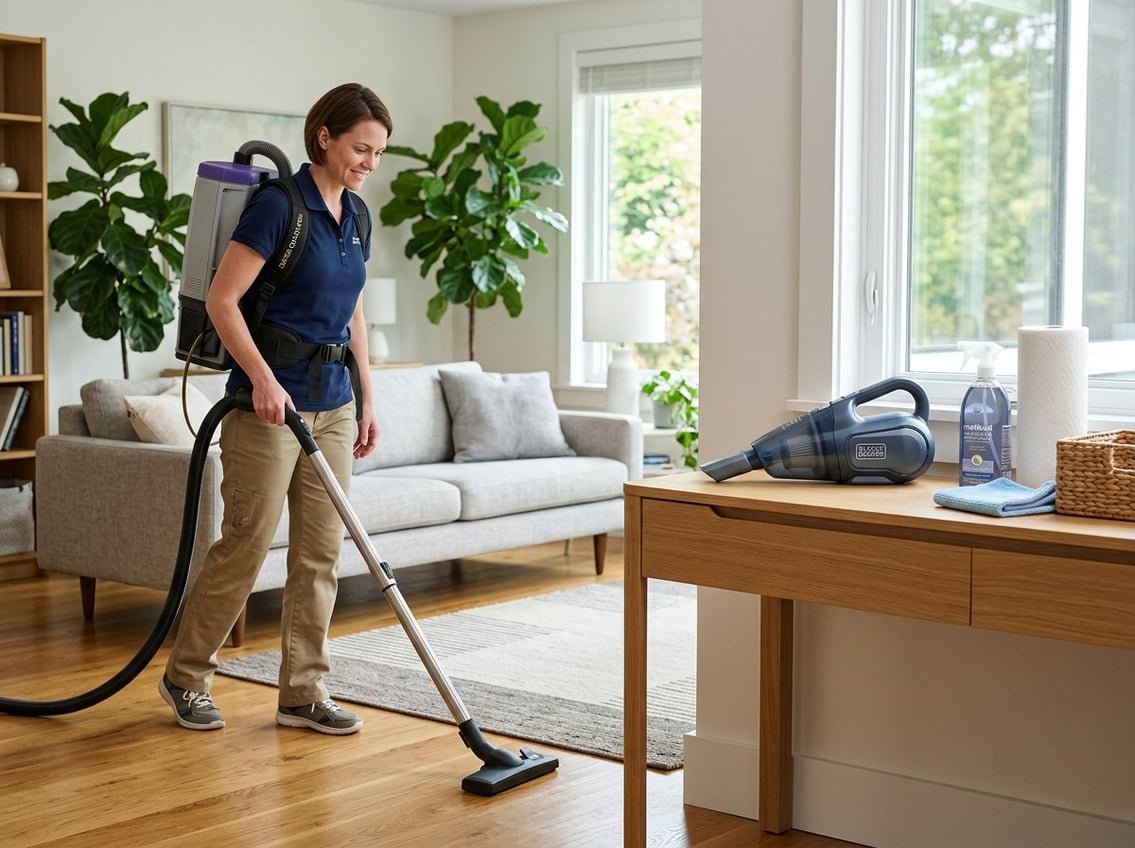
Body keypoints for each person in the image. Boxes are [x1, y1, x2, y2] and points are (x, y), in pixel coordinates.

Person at [159, 83, 392, 735]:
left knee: (320, 554)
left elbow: (354, 312)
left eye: (377, 153)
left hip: (334, 406)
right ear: (325, 138)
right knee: (246, 544)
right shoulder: (277, 207)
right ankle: (186, 677)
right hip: (268, 408)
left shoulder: (357, 217)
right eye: (360, 149)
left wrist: (368, 394)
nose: (369, 163)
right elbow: (223, 300)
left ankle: (302, 692)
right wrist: (260, 381)